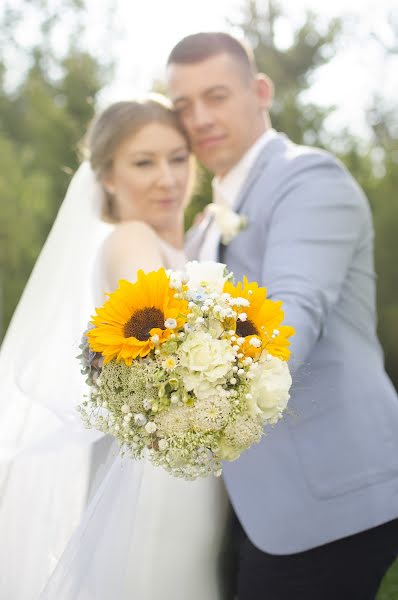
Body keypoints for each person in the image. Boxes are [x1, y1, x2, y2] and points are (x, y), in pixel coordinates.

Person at [166, 32, 398, 600]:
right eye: (182, 106)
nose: (199, 118)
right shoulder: (204, 225)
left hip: (333, 496)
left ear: (260, 91)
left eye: (215, 95)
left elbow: (291, 317)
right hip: (253, 503)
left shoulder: (308, 179)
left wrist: (182, 400)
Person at [0, 96, 230, 599]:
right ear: (106, 176)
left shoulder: (173, 241)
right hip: (161, 475)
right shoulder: (129, 239)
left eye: (177, 157)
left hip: (185, 460)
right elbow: (158, 347)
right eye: (143, 162)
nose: (168, 178)